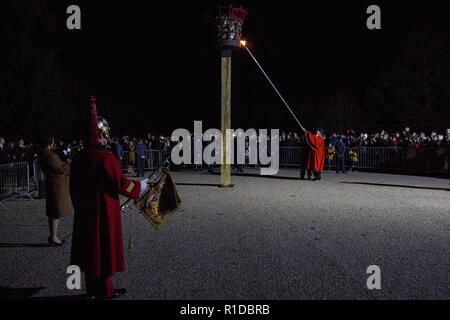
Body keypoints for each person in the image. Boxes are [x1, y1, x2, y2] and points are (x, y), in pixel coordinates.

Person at [69, 97, 147, 300]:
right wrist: (141, 186)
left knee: (89, 251)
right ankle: (104, 291)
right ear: (101, 135)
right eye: (105, 136)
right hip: (103, 212)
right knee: (103, 251)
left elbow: (73, 188)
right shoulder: (106, 158)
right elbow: (121, 184)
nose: (106, 140)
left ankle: (92, 291)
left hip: (85, 212)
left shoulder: (78, 158)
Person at [39, 135, 71, 245]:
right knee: (55, 212)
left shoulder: (43, 154)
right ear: (50, 143)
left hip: (52, 184)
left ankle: (53, 235)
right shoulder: (50, 156)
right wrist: (68, 161)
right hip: (56, 186)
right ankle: (54, 236)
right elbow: (61, 170)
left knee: (53, 212)